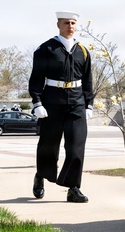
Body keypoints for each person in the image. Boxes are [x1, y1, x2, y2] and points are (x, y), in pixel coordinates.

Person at [28, 10, 94, 203]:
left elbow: (88, 80)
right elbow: (36, 79)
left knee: (76, 148)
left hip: (76, 103)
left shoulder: (82, 50)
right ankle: (41, 175)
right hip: (52, 103)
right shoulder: (46, 49)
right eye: (66, 23)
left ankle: (73, 187)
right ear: (58, 24)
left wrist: (89, 104)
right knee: (49, 146)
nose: (70, 27)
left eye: (73, 23)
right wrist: (37, 102)